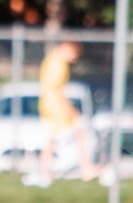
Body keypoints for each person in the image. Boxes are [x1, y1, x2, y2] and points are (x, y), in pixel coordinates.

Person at [23, 40, 97, 188]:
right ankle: (85, 169)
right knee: (79, 131)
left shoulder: (52, 60)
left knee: (51, 141)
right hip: (56, 109)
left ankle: (47, 174)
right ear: (67, 49)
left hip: (51, 107)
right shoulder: (58, 63)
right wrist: (68, 108)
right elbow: (55, 89)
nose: (74, 59)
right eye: (74, 55)